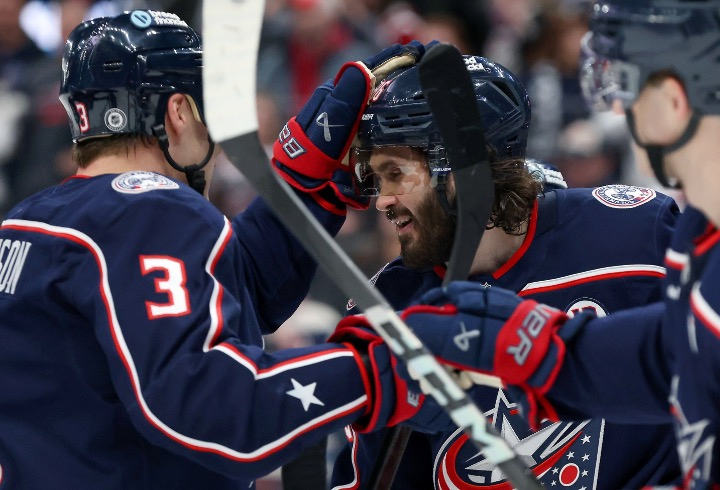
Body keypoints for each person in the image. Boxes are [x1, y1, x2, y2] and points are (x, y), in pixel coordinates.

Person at [378, 0, 720, 488]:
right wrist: (545, 350)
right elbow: (684, 355)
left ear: (674, 101)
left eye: (627, 90)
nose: (621, 114)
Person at [0, 10, 428, 488]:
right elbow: (208, 407)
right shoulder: (153, 209)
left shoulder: (28, 218)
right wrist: (384, 366)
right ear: (179, 111)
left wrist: (306, 184)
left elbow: (225, 298)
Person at [328, 55, 682, 489]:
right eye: (375, 180)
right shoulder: (386, 307)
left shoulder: (634, 231)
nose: (381, 201)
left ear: (465, 164)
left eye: (396, 174)